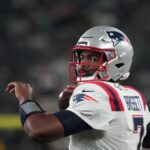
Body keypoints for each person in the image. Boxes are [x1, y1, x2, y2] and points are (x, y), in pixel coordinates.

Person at [5, 26, 150, 150]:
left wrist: (25, 99)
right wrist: (74, 111)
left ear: (118, 62)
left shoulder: (96, 92)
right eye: (81, 57)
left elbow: (38, 130)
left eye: (93, 58)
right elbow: (144, 139)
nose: (83, 64)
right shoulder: (136, 96)